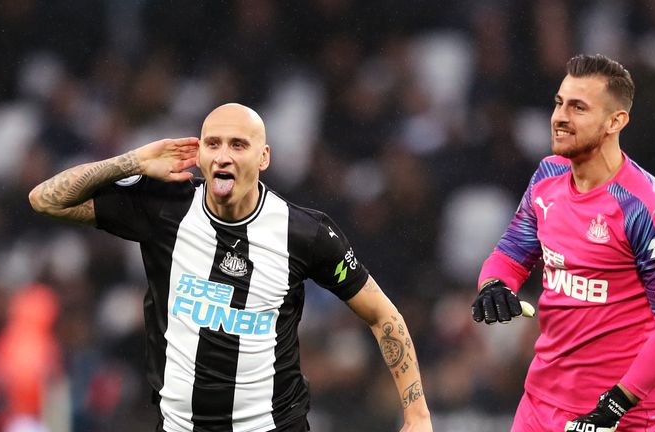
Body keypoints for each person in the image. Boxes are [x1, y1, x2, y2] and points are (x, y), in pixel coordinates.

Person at [29, 103, 433, 432]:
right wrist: (132, 161)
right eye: (213, 143)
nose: (223, 155)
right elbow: (45, 199)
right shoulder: (163, 208)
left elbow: (383, 315)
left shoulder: (304, 233)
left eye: (238, 145)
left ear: (264, 157)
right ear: (200, 154)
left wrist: (417, 415)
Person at [471, 54, 655, 432]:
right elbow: (510, 254)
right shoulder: (548, 175)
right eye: (559, 103)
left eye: (578, 107)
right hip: (538, 404)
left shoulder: (651, 210)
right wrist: (494, 284)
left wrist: (617, 403)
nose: (560, 117)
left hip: (617, 416)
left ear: (615, 121)